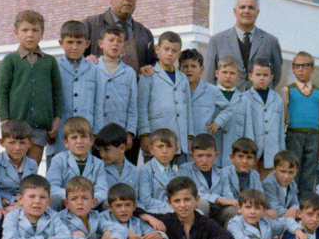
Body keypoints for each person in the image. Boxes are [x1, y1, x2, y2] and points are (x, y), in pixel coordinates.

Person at [0, 10, 63, 165]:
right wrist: (5, 121)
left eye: (35, 30)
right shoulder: (10, 60)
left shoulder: (50, 61)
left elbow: (57, 93)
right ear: (16, 32)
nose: (30, 35)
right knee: (14, 167)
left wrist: (57, 119)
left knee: (32, 168)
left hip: (40, 127)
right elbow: (1, 92)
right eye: (25, 30)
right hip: (15, 126)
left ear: (42, 33)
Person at [205, 0, 283, 88]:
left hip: (259, 100)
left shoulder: (271, 42)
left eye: (251, 8)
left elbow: (276, 75)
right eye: (242, 7)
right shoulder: (217, 40)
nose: (246, 11)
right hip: (227, 101)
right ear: (235, 11)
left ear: (257, 12)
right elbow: (210, 76)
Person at [82, 0, 157, 77]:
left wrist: (149, 68)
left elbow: (153, 62)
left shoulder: (144, 33)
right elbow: (73, 56)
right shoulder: (91, 25)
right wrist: (84, 60)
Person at [279, 51, 319, 195]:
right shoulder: (288, 90)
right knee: (292, 169)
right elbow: (283, 118)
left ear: (312, 68)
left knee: (309, 173)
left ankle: (304, 205)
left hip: (313, 137)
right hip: (294, 135)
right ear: (293, 69)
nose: (300, 69)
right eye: (297, 66)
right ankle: (290, 203)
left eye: (304, 66)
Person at [138, 31, 193, 160]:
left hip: (179, 139)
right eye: (166, 49)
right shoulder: (149, 75)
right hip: (157, 138)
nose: (169, 54)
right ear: (157, 49)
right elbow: (141, 108)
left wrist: (189, 135)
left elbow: (188, 108)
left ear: (178, 54)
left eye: (174, 51)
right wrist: (144, 135)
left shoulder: (182, 78)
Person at [48, 20, 95, 166]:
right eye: (69, 42)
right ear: (61, 43)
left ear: (87, 44)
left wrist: (95, 131)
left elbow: (98, 103)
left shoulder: (94, 69)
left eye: (79, 42)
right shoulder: (53, 66)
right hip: (59, 133)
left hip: (84, 135)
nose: (74, 47)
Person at [92, 26, 138, 159]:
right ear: (101, 43)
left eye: (119, 41)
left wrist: (129, 133)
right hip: (98, 131)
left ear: (124, 46)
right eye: (111, 40)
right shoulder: (92, 68)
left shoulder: (129, 72)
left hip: (119, 132)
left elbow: (132, 106)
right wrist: (93, 133)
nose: (115, 44)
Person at [45, 116, 108, 209]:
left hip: (89, 207)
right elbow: (51, 187)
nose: (79, 141)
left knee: (106, 203)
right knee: (54, 200)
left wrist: (88, 200)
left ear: (91, 141)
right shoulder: (58, 160)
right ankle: (53, 223)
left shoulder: (98, 163)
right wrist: (72, 198)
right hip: (66, 205)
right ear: (66, 142)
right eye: (74, 138)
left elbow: (102, 189)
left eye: (84, 137)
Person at [177, 133, 238, 225]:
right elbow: (188, 193)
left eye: (209, 156)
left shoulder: (222, 173)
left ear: (216, 155)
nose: (204, 160)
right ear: (192, 156)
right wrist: (217, 199)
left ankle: (228, 236)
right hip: (197, 209)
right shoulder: (185, 170)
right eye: (200, 156)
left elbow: (228, 195)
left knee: (232, 210)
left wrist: (233, 203)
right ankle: (199, 235)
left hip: (217, 210)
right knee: (202, 203)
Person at [239, 59, 285, 177]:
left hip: (271, 150)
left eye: (265, 75)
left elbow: (280, 128)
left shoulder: (277, 99)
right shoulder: (244, 98)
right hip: (252, 149)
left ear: (271, 77)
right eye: (258, 75)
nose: (261, 78)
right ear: (250, 76)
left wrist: (281, 152)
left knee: (266, 183)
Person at [0, 119, 37, 214]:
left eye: (22, 143)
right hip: (1, 205)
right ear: (1, 142)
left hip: (23, 204)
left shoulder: (32, 165)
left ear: (30, 143)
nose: (17, 148)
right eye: (12, 143)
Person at [181, 48, 223, 151]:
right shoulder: (176, 91)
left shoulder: (212, 91)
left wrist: (218, 122)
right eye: (185, 66)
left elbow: (228, 109)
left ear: (202, 69)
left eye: (193, 66)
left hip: (203, 143)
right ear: (179, 69)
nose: (189, 70)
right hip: (182, 142)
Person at [207, 56, 244, 166]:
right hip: (213, 148)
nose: (228, 76)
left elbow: (248, 129)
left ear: (238, 76)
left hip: (234, 151)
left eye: (232, 73)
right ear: (217, 73)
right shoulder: (209, 94)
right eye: (224, 72)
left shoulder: (244, 99)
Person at [138, 128, 180, 214]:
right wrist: (172, 206)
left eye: (169, 147)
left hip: (174, 210)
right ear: (151, 149)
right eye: (160, 146)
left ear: (176, 150)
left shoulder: (175, 173)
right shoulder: (144, 170)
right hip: (153, 211)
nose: (164, 151)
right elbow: (145, 201)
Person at [262, 150, 300, 220]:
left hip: (286, 217)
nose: (286, 176)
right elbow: (274, 208)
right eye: (283, 171)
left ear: (296, 172)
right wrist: (295, 215)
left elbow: (295, 202)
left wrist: (293, 208)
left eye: (291, 172)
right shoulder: (269, 183)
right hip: (271, 219)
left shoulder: (292, 183)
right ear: (274, 170)